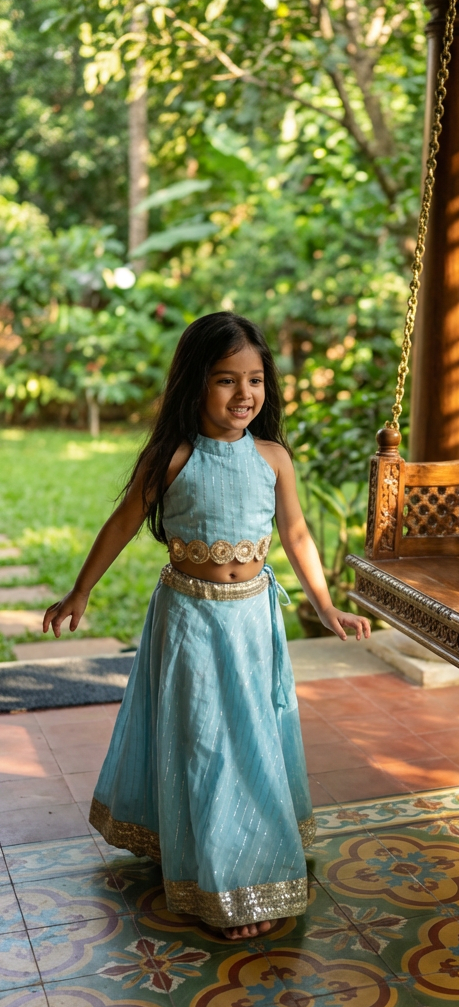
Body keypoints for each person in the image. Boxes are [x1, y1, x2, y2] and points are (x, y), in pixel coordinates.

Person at [43, 312, 370, 940]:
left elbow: (296, 533)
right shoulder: (175, 458)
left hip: (252, 621)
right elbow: (120, 524)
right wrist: (80, 591)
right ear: (195, 384)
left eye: (255, 380)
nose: (244, 394)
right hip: (189, 620)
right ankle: (222, 882)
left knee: (252, 737)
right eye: (226, 380)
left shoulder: (274, 458)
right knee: (207, 745)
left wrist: (325, 605)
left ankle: (250, 850)